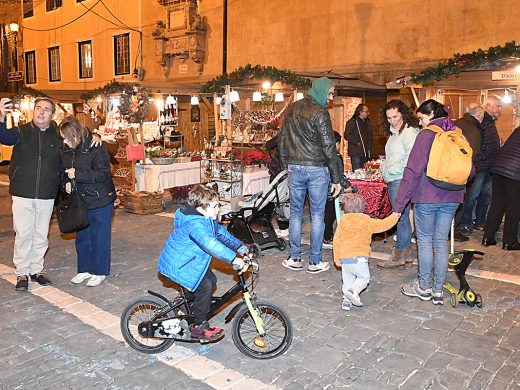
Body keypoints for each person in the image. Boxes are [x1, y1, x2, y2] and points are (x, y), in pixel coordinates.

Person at [0, 97, 102, 291]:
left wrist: (93, 134)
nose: (41, 112)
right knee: (23, 234)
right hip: (23, 192)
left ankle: (36, 270)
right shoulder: (21, 131)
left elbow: (76, 135)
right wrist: (1, 115)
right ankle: (22, 272)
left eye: (46, 109)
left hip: (47, 194)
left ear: (52, 114)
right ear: (33, 111)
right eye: (38, 108)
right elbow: (3, 136)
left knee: (40, 234)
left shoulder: (57, 135)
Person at [394, 99, 470, 305]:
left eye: (421, 118)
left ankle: (424, 287)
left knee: (425, 241)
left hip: (427, 197)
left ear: (431, 115)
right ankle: (438, 290)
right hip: (453, 196)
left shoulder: (426, 135)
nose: (420, 123)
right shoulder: (458, 133)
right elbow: (470, 170)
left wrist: (399, 204)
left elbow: (412, 170)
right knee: (440, 242)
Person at [157, 185, 249, 342]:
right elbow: (210, 243)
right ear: (201, 208)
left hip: (189, 262)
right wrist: (234, 258)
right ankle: (198, 325)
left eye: (218, 205)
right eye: (215, 206)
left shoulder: (206, 219)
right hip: (179, 265)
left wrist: (241, 247)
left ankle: (185, 303)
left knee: (211, 280)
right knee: (205, 285)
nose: (218, 209)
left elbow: (220, 234)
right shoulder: (195, 224)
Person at [278, 77, 342, 274]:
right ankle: (315, 261)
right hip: (316, 169)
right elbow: (329, 147)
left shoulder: (291, 109)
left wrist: (285, 165)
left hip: (294, 168)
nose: (330, 98)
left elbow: (281, 140)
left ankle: (295, 257)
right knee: (317, 215)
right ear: (321, 90)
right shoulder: (320, 113)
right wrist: (336, 178)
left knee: (296, 214)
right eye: (330, 94)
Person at [59, 116, 117, 287]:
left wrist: (78, 174)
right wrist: (66, 184)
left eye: (66, 137)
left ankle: (100, 271)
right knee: (82, 236)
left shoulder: (95, 146)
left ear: (75, 134)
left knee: (99, 236)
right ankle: (84, 269)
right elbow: (63, 172)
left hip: (100, 199)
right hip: (80, 200)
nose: (64, 141)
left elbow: (103, 173)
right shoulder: (65, 149)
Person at [333, 193, 398, 310]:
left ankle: (346, 301)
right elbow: (384, 224)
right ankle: (354, 291)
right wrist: (395, 216)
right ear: (363, 207)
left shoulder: (343, 221)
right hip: (360, 259)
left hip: (345, 258)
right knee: (363, 278)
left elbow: (336, 240)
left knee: (347, 280)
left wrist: (337, 258)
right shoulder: (367, 221)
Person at [376, 99, 420, 268]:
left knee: (399, 217)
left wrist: (390, 170)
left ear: (403, 113)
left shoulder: (408, 133)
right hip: (396, 178)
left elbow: (411, 158)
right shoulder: (396, 133)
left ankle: (398, 255)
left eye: (395, 116)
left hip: (400, 179)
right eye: (389, 118)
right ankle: (405, 253)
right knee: (402, 218)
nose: (392, 120)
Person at [458, 95, 501, 233]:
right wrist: (481, 159)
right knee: (472, 196)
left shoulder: (488, 121)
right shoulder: (480, 122)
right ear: (488, 106)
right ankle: (466, 223)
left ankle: (479, 222)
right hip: (481, 166)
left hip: (489, 166)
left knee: (485, 196)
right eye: (498, 106)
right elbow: (477, 145)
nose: (500, 109)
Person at [482, 126, 520, 250]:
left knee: (497, 203)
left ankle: (488, 237)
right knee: (514, 207)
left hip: (499, 167)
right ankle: (510, 241)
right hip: (514, 172)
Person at [454, 103, 485, 241]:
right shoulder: (474, 130)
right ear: (479, 115)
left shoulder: (457, 123)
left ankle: (451, 230)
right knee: (462, 201)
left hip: (450, 168)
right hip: (464, 171)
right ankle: (454, 231)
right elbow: (474, 155)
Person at [323, 131, 352, 248]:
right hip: (333, 191)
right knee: (331, 215)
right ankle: (327, 238)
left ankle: (325, 236)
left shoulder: (323, 155)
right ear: (336, 143)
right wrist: (348, 185)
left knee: (324, 215)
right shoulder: (337, 157)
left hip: (324, 189)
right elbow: (339, 176)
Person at [344, 103, 372, 170]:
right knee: (357, 171)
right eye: (366, 111)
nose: (368, 113)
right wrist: (357, 142)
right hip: (356, 152)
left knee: (365, 171)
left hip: (365, 151)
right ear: (360, 112)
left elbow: (369, 135)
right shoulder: (352, 122)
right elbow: (346, 135)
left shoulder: (367, 122)